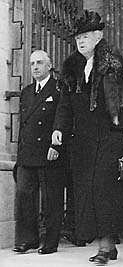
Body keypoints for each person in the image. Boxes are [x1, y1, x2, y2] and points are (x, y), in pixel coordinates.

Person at [51, 10, 123, 265]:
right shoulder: (72, 65)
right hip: (82, 139)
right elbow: (64, 104)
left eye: (85, 36)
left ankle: (105, 246)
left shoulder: (113, 62)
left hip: (110, 135)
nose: (80, 41)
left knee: (103, 189)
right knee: (87, 191)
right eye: (78, 37)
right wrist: (58, 128)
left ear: (98, 36)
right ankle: (108, 243)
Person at [13, 50, 67, 255]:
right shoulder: (26, 92)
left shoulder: (59, 89)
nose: (35, 67)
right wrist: (19, 155)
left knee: (51, 199)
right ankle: (29, 239)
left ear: (49, 65)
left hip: (49, 152)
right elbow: (22, 126)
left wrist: (56, 146)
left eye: (39, 63)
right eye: (32, 63)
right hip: (27, 154)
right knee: (25, 197)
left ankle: (50, 242)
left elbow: (63, 117)